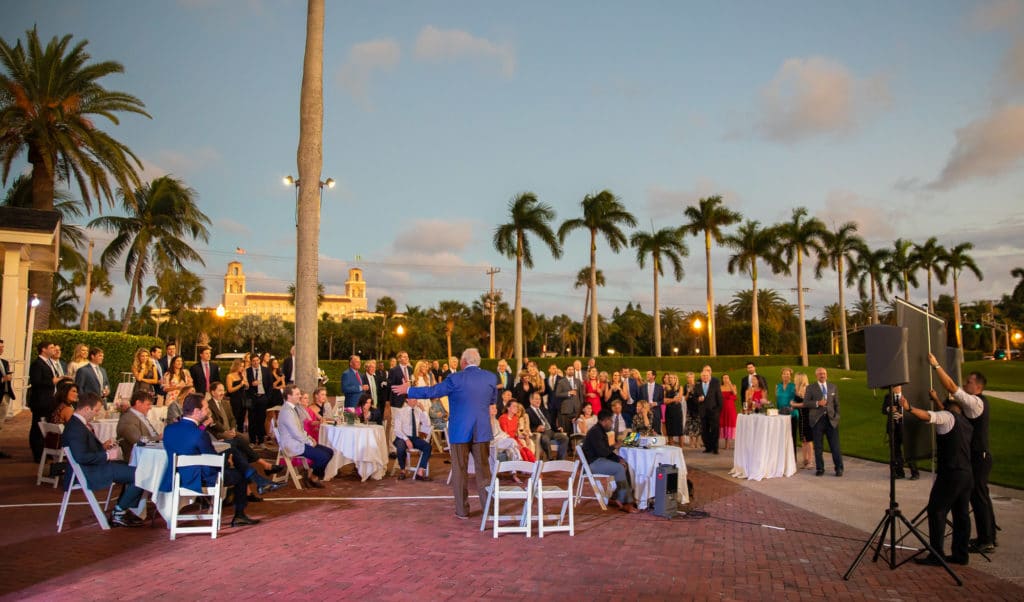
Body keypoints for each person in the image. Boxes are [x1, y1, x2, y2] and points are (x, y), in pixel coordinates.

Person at [392, 348, 495, 521]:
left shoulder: (455, 378)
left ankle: (462, 511)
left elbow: (432, 391)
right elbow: (492, 401)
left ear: (463, 362)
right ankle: (490, 511)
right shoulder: (490, 378)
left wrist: (409, 390)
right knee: (484, 472)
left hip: (459, 431)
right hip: (482, 430)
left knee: (459, 471)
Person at [160, 394, 262, 527]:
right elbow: (212, 460)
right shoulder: (199, 434)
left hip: (176, 476)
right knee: (240, 475)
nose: (208, 411)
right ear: (196, 411)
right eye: (206, 408)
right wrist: (227, 463)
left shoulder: (169, 429)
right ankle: (239, 515)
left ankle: (256, 481)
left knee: (231, 452)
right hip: (200, 478)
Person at [929, 353, 995, 554]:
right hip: (973, 457)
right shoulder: (971, 405)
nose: (965, 384)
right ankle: (987, 536)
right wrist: (937, 401)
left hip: (978, 456)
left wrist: (936, 365)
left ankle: (986, 539)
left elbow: (951, 387)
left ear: (978, 387)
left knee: (979, 497)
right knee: (977, 496)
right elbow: (953, 417)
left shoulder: (975, 403)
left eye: (969, 382)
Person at [901, 392, 973, 566]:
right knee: (961, 514)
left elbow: (928, 416)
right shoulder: (965, 423)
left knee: (936, 510)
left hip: (951, 473)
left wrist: (909, 408)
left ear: (947, 408)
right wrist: (938, 401)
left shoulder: (947, 417)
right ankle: (961, 554)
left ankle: (936, 554)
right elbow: (945, 413)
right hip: (966, 474)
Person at [62, 394, 146, 527]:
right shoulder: (76, 428)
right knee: (141, 474)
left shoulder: (76, 424)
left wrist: (103, 447)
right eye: (96, 411)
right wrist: (107, 455)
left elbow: (84, 450)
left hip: (93, 467)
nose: (96, 414)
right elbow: (81, 457)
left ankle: (122, 508)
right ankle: (119, 511)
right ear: (86, 409)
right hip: (89, 471)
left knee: (132, 467)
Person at [582, 410, 638, 513]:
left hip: (598, 460)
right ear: (605, 420)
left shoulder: (599, 431)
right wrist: (615, 446)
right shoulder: (596, 432)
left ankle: (616, 497)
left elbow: (605, 451)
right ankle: (625, 502)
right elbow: (603, 452)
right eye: (611, 421)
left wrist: (618, 459)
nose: (612, 423)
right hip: (592, 464)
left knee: (623, 464)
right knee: (619, 468)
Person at [278, 385, 333, 487]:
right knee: (324, 456)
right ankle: (313, 477)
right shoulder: (287, 411)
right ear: (289, 396)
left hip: (299, 441)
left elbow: (299, 429)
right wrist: (310, 442)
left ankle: (311, 475)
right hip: (293, 445)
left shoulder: (292, 408)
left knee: (329, 452)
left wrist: (309, 438)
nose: (299, 396)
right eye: (297, 394)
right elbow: (296, 433)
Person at [806, 367, 843, 477]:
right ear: (816, 375)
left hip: (831, 420)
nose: (822, 375)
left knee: (835, 446)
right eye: (820, 374)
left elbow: (837, 404)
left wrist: (836, 417)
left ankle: (839, 468)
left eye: (824, 373)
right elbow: (806, 403)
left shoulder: (833, 387)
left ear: (826, 375)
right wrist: (818, 403)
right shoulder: (810, 387)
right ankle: (820, 469)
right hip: (817, 421)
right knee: (818, 447)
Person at [29, 341, 61, 462]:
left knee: (48, 427)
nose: (54, 349)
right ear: (43, 349)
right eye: (51, 347)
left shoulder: (49, 362)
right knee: (38, 427)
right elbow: (36, 382)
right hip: (40, 401)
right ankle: (37, 454)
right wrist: (52, 382)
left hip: (49, 400)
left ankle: (46, 451)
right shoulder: (37, 364)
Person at [882, 385, 919, 480]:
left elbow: (913, 410)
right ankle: (899, 472)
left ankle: (914, 472)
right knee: (895, 451)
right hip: (893, 428)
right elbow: (883, 410)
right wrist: (889, 409)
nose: (894, 388)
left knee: (908, 450)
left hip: (904, 428)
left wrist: (902, 415)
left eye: (897, 386)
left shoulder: (908, 395)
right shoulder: (888, 396)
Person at [116, 389, 162, 459]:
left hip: (151, 451)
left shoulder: (139, 416)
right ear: (138, 403)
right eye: (148, 404)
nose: (150, 408)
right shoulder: (127, 419)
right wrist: (158, 438)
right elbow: (138, 440)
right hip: (140, 457)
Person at [527, 391, 567, 460]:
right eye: (536, 399)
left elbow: (551, 422)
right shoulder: (527, 412)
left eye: (539, 399)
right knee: (545, 439)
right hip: (542, 433)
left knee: (565, 438)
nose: (538, 401)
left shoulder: (544, 409)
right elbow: (527, 426)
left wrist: (557, 428)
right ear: (531, 400)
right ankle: (550, 459)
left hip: (551, 431)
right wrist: (536, 429)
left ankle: (559, 460)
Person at [696, 365, 723, 454]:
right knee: (705, 430)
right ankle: (708, 447)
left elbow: (719, 397)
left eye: (706, 376)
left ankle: (715, 448)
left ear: (709, 376)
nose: (705, 377)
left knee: (715, 430)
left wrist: (718, 410)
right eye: (703, 376)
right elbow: (695, 397)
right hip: (703, 411)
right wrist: (698, 399)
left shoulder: (715, 383)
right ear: (701, 377)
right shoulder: (698, 384)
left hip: (713, 411)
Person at [247, 355, 273, 445]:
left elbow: (270, 384)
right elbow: (245, 385)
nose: (256, 362)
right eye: (253, 361)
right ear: (251, 362)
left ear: (259, 360)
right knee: (251, 419)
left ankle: (261, 440)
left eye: (257, 360)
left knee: (261, 419)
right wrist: (251, 384)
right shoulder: (247, 371)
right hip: (251, 398)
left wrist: (267, 397)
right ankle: (252, 440)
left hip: (263, 397)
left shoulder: (266, 370)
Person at [790, 372, 814, 469]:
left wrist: (794, 405)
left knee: (808, 440)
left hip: (808, 417)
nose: (794, 380)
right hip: (802, 417)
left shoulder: (807, 388)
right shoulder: (797, 389)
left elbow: (805, 404)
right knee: (803, 440)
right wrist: (793, 406)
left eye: (795, 378)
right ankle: (805, 460)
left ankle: (810, 461)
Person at [554, 365, 583, 433]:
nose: (571, 371)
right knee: (567, 430)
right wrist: (568, 393)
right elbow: (557, 394)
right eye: (569, 369)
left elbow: (580, 395)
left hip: (576, 409)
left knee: (577, 430)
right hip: (566, 410)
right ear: (565, 371)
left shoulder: (578, 381)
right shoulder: (561, 382)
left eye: (572, 369)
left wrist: (581, 407)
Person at [225, 359, 250, 432]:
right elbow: (230, 390)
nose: (242, 368)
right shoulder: (230, 376)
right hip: (235, 400)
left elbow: (247, 387)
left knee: (242, 419)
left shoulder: (242, 375)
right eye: (241, 366)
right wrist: (240, 385)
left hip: (243, 399)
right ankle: (233, 433)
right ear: (236, 366)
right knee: (235, 417)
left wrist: (244, 377)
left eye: (243, 366)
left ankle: (241, 433)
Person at [776, 368, 798, 451]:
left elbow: (797, 399)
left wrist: (793, 406)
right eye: (784, 374)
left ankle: (793, 456)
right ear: (781, 375)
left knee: (792, 436)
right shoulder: (778, 386)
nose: (785, 375)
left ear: (790, 376)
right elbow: (777, 400)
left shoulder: (794, 386)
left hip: (792, 414)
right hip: (780, 414)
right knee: (782, 437)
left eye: (787, 374)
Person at [0, 339, 15, 458]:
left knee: (0, 423)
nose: (1, 349)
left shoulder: (4, 362)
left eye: (2, 347)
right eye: (0, 347)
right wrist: (3, 379)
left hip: (5, 395)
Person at [664, 373, 684, 445]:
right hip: (669, 410)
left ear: (676, 379)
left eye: (673, 378)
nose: (671, 379)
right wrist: (673, 399)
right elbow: (664, 401)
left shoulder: (680, 387)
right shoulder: (666, 388)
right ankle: (671, 446)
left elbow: (679, 399)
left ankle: (681, 447)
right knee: (670, 430)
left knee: (679, 430)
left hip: (677, 410)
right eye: (670, 378)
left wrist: (669, 400)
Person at [719, 374, 739, 449]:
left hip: (730, 407)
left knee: (730, 423)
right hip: (722, 407)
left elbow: (735, 393)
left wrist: (730, 384)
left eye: (727, 377)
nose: (726, 379)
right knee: (723, 423)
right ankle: (725, 442)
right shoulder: (720, 387)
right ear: (722, 379)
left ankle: (728, 443)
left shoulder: (733, 386)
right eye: (724, 378)